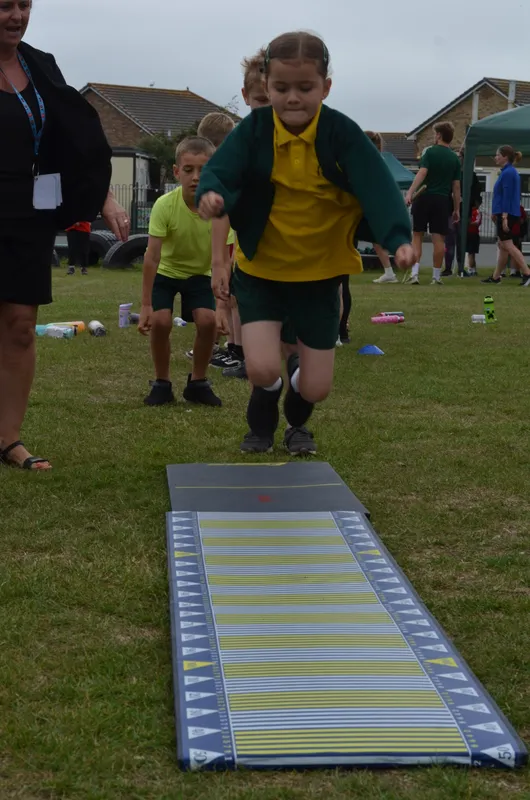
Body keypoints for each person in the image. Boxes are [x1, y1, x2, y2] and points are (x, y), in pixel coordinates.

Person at [197, 31, 413, 455]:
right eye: (280, 89)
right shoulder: (255, 130)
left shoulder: (341, 134)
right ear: (266, 84)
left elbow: (378, 187)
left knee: (317, 386)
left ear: (325, 87)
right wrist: (212, 191)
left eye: (305, 88)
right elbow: (223, 167)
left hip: (320, 275)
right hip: (263, 271)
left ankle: (297, 417)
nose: (292, 98)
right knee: (260, 368)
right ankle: (266, 404)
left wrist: (397, 238)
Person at [0, 1, 128, 471]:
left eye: (23, 5)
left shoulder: (40, 65)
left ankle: (7, 439)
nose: (16, 15)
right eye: (3, 6)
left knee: (18, 326)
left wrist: (104, 198)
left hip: (29, 211)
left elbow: (77, 141)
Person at [139, 136, 234, 407]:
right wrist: (146, 304)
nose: (195, 177)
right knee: (160, 322)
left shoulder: (221, 209)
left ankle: (198, 383)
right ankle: (162, 382)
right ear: (177, 172)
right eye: (189, 170)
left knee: (207, 322)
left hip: (201, 275)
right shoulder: (164, 205)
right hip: (167, 273)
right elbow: (152, 257)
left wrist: (222, 307)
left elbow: (225, 261)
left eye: (203, 170)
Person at [404, 122, 461, 285]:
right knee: (439, 239)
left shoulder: (429, 152)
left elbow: (422, 173)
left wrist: (410, 192)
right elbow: (456, 186)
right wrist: (457, 208)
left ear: (439, 135)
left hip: (424, 197)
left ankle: (414, 274)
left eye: (435, 133)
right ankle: (436, 277)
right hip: (442, 201)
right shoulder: (455, 159)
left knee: (417, 236)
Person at [481, 147, 530, 287]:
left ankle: (527, 273)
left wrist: (504, 217)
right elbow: (501, 195)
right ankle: (496, 276)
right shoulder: (507, 172)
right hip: (504, 212)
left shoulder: (508, 173)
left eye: (498, 155)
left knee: (508, 244)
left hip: (507, 213)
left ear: (505, 157)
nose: (495, 157)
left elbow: (507, 196)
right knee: (503, 245)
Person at [364, 131, 400, 285]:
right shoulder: (379, 158)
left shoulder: (368, 159)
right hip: (377, 202)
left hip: (371, 203)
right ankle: (389, 272)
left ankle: (389, 272)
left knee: (376, 240)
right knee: (376, 240)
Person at [464, 200, 482, 276]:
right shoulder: (473, 212)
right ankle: (473, 269)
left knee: (470, 253)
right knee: (472, 253)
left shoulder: (475, 212)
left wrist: (468, 223)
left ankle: (470, 269)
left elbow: (477, 222)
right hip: (473, 234)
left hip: (472, 233)